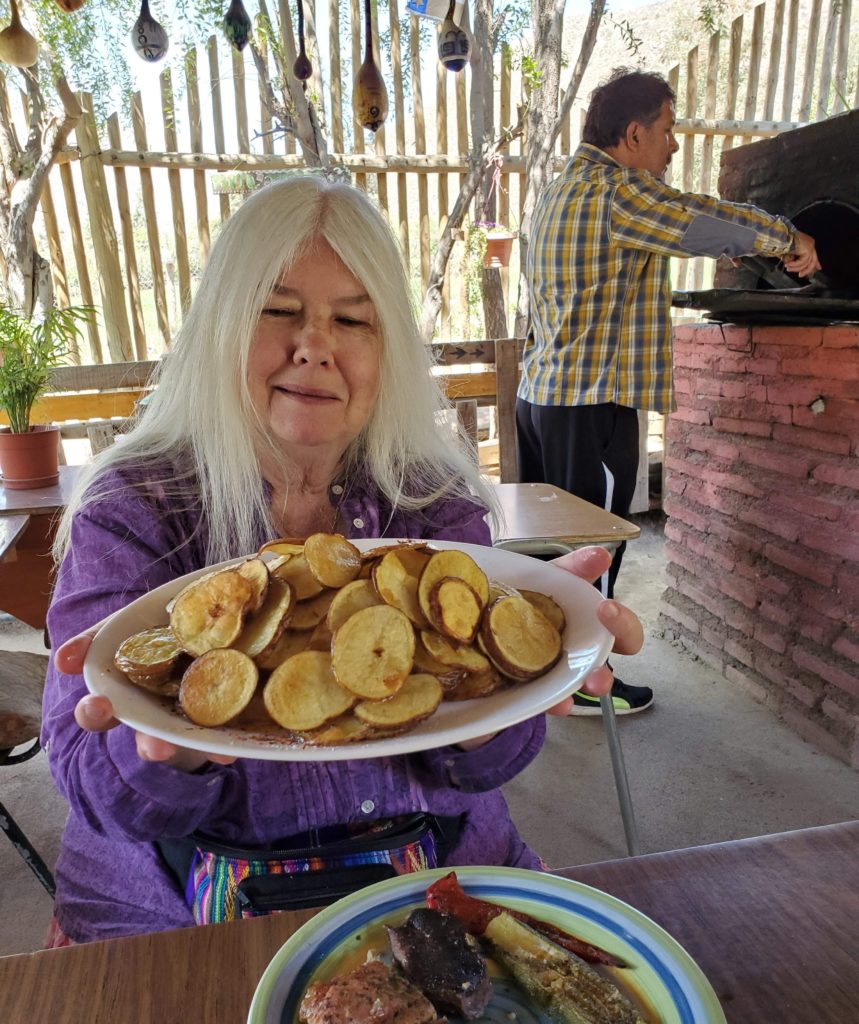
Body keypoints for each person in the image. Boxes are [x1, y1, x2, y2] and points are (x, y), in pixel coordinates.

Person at [42, 174, 644, 946]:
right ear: (220, 325)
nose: (315, 346)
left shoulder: (432, 502)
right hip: (169, 910)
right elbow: (88, 778)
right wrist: (165, 751)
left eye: (352, 319)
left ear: (385, 347)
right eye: (278, 309)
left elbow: (488, 764)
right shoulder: (130, 503)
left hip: (437, 875)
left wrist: (516, 678)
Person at [516, 68, 820, 717]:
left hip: (545, 398)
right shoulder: (614, 195)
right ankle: (583, 679)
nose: (673, 145)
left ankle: (537, 671)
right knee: (591, 556)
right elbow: (701, 219)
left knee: (552, 557)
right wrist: (788, 237)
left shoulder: (559, 189)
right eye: (667, 130)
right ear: (633, 133)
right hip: (589, 404)